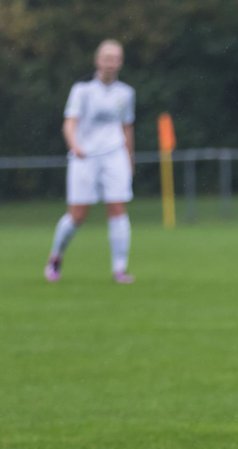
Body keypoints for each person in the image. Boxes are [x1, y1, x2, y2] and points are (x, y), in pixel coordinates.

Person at [43, 39, 136, 285]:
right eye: (107, 58)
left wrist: (129, 158)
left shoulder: (126, 93)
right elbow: (70, 122)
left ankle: (120, 268)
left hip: (114, 155)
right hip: (85, 157)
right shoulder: (82, 90)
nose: (111, 64)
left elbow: (127, 128)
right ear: (98, 61)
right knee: (77, 215)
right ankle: (55, 257)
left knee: (117, 208)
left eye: (115, 59)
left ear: (121, 62)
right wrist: (75, 145)